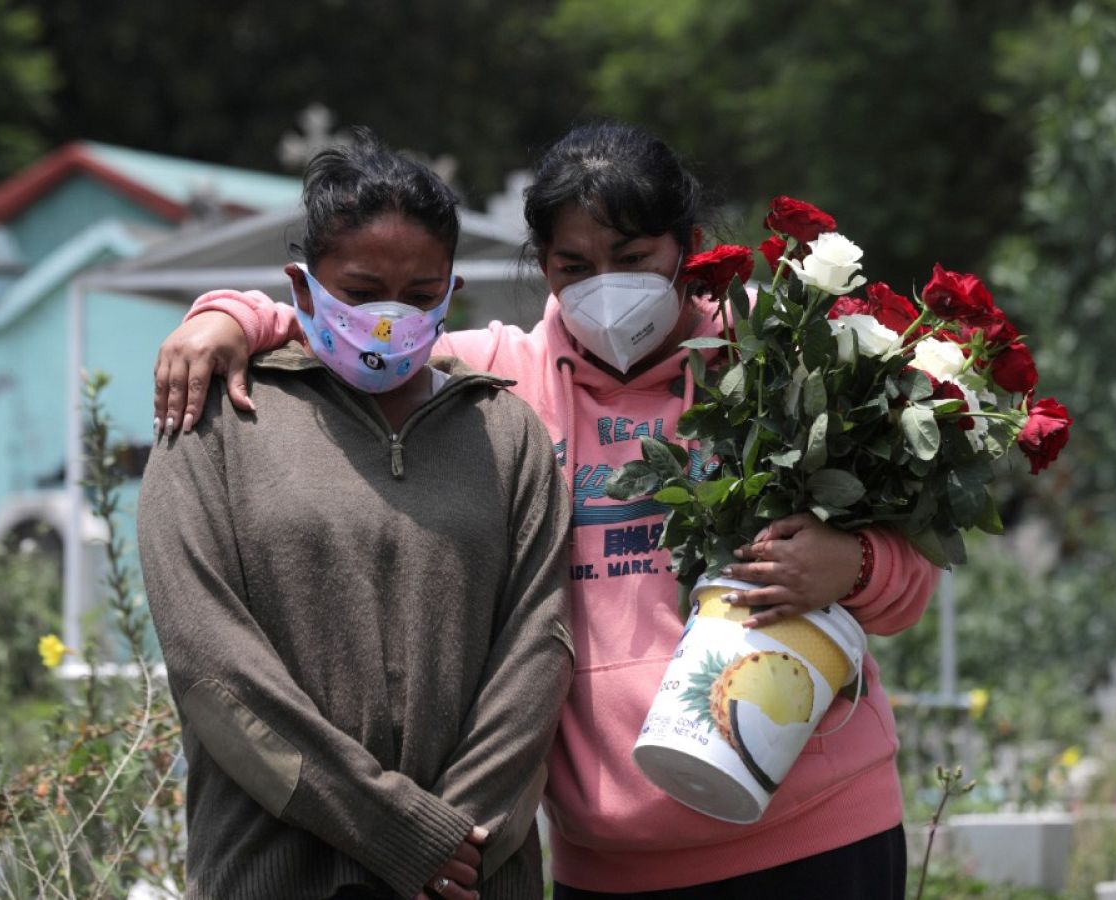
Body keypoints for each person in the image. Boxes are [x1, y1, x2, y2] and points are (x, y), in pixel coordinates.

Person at [153, 122, 940, 899]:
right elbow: (362, 326)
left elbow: (910, 578)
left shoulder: (780, 362)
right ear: (544, 267)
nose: (606, 285)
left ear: (689, 248)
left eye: (633, 260)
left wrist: (859, 563)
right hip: (611, 855)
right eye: (575, 265)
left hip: (815, 827)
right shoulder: (498, 381)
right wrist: (225, 316)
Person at [137, 130, 573, 900]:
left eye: (417, 295)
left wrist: (457, 834)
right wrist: (397, 833)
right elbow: (210, 662)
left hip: (472, 876)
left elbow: (539, 648)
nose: (387, 318)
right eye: (363, 289)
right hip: (274, 871)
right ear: (301, 289)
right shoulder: (215, 425)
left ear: (451, 292)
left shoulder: (508, 436)